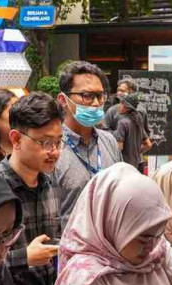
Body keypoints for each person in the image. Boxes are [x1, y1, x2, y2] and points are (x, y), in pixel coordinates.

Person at [0, 92, 63, 285]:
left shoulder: (51, 183)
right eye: (45, 142)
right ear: (16, 139)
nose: (54, 151)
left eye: (58, 142)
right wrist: (24, 258)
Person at [55, 61, 121, 226]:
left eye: (100, 95)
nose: (96, 103)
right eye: (87, 96)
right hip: (70, 247)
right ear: (63, 99)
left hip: (109, 244)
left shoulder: (109, 141)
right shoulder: (52, 147)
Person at [114, 94, 151, 172]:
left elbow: (119, 147)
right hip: (138, 165)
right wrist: (136, 151)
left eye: (121, 104)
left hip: (125, 167)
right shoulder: (138, 122)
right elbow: (148, 144)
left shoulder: (122, 123)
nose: (118, 106)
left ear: (127, 108)